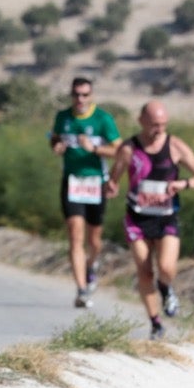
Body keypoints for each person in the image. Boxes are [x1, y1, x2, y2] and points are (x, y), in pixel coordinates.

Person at [104, 100, 194, 340]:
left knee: (166, 267)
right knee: (144, 272)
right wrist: (110, 187)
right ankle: (155, 323)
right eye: (154, 125)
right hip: (137, 219)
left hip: (166, 218)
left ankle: (166, 288)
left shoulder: (175, 146)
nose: (159, 130)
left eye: (163, 125)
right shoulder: (129, 149)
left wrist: (183, 184)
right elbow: (114, 177)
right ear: (141, 121)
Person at [49, 77, 120, 309]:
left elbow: (120, 151)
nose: (80, 99)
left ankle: (92, 264)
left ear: (91, 96)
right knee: (75, 235)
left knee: (94, 240)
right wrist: (56, 146)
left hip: (96, 183)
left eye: (85, 95)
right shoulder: (63, 117)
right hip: (72, 182)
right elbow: (55, 138)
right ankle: (81, 289)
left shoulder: (103, 119)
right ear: (71, 95)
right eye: (76, 95)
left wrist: (95, 149)